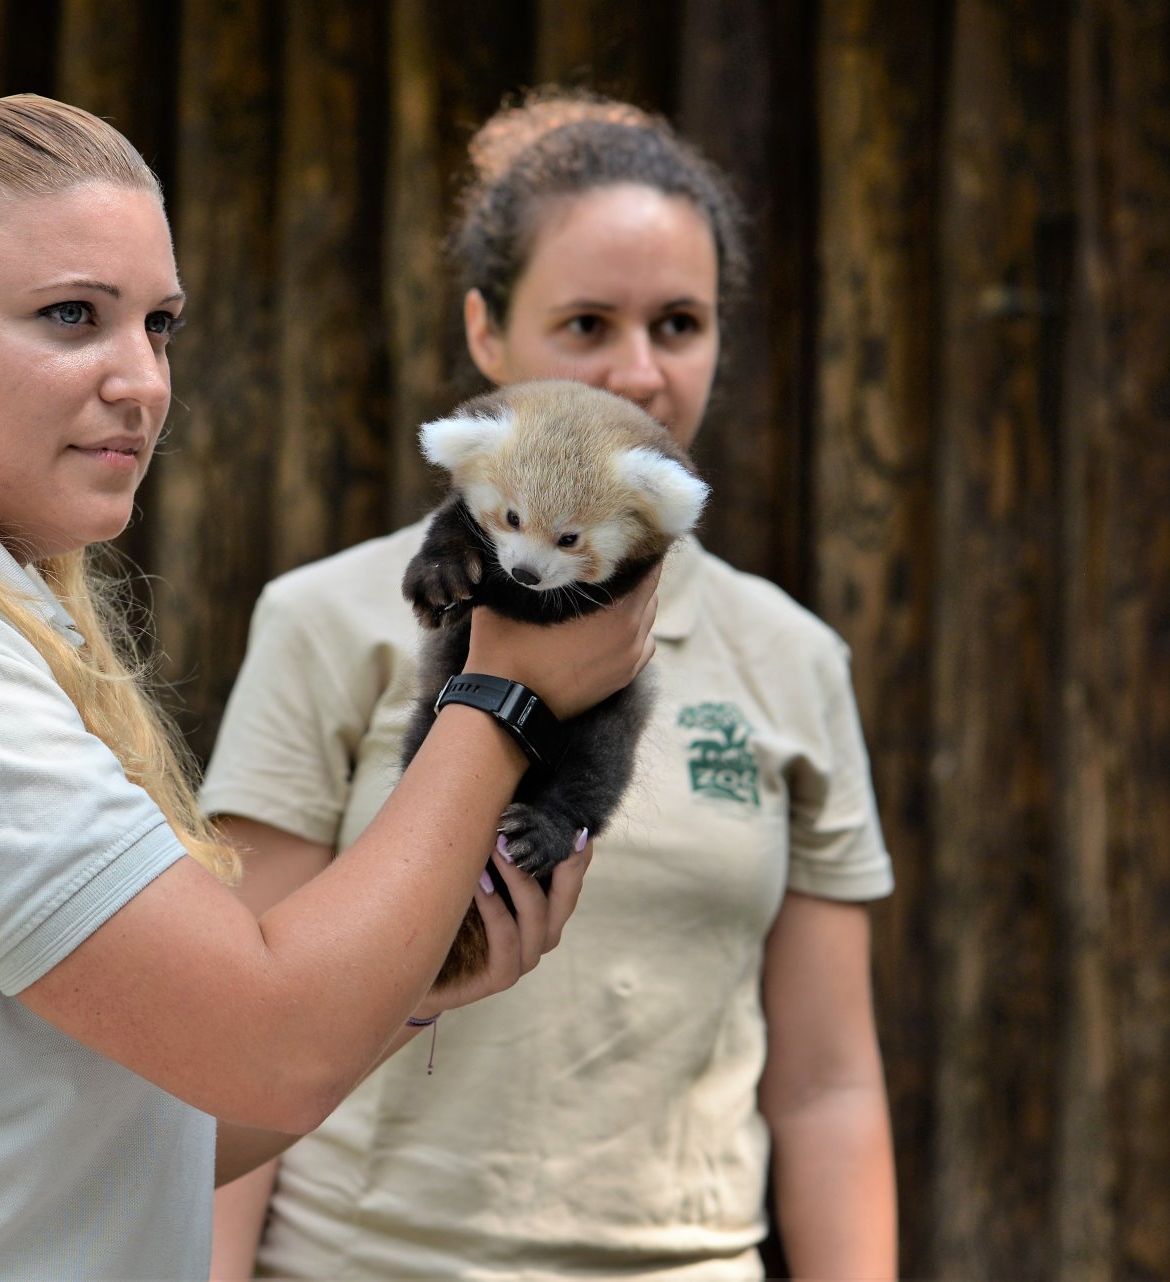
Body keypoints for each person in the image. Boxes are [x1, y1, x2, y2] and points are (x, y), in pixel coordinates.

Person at [0, 94, 659, 1281]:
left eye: (159, 324)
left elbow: (154, 1115)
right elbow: (264, 1048)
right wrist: (503, 692)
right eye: (71, 317)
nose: (142, 379)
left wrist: (411, 984)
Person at [206, 91, 897, 1280]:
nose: (637, 370)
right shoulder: (329, 619)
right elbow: (236, 1036)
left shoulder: (794, 659)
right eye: (587, 323)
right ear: (486, 334)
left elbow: (830, 1085)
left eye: (680, 323)